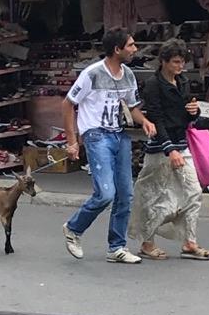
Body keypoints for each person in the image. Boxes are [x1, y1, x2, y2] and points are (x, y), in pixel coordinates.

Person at [62, 27, 156, 264]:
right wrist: (72, 141)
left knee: (126, 193)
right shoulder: (92, 73)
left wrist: (144, 121)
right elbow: (68, 104)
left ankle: (117, 247)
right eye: (131, 45)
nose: (135, 49)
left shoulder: (128, 75)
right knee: (105, 193)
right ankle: (74, 228)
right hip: (96, 136)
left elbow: (132, 106)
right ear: (117, 49)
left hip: (119, 136)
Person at [128, 39, 209, 261]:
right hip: (160, 148)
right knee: (154, 197)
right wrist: (169, 149)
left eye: (182, 61)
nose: (180, 66)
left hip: (181, 143)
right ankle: (147, 243)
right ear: (164, 62)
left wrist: (194, 111)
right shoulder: (153, 85)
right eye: (175, 61)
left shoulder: (183, 82)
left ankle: (189, 242)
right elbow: (156, 118)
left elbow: (186, 115)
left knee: (193, 192)